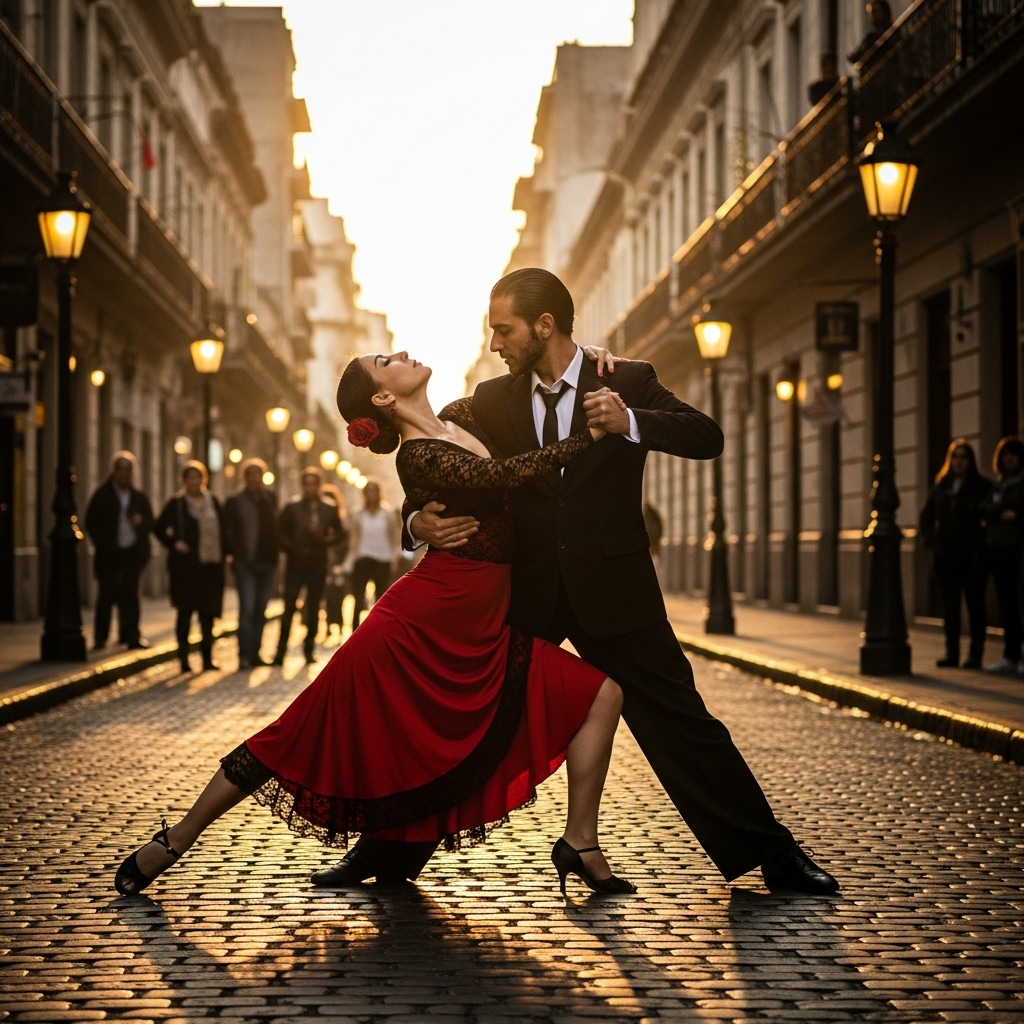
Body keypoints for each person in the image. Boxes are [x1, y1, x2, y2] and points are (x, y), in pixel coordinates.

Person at [338, 267, 839, 895]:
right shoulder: (488, 400)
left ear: (544, 326)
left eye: (504, 330)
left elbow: (705, 436)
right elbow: (428, 451)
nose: (496, 343)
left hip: (616, 590)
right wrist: (417, 521)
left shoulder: (626, 379)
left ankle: (774, 857)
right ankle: (387, 853)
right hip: (528, 594)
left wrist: (631, 420)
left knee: (683, 722)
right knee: (474, 726)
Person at [113, 350, 630, 899]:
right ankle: (177, 839)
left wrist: (584, 354)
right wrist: (591, 438)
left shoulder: (463, 415)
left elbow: (530, 383)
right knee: (298, 731)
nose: (403, 354)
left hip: (478, 627)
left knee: (603, 694)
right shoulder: (418, 455)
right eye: (387, 361)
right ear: (384, 397)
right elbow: (497, 475)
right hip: (413, 623)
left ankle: (580, 841)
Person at [919, 440, 990, 669]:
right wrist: (932, 540)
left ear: (970, 461)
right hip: (945, 555)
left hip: (972, 555)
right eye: (956, 457)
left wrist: (981, 543)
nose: (959, 461)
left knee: (975, 604)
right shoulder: (942, 486)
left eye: (964, 457)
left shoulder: (981, 487)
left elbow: (988, 517)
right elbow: (926, 516)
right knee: (950, 607)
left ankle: (975, 655)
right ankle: (952, 654)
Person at [153, 461, 225, 674]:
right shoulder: (176, 504)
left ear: (204, 479)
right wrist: (174, 543)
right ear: (184, 481)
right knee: (185, 614)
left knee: (208, 615)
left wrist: (227, 556)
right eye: (190, 478)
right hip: (185, 568)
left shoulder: (213, 502)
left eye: (198, 477)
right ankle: (183, 660)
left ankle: (207, 659)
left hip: (210, 567)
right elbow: (158, 528)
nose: (195, 481)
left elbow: (223, 531)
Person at [84, 451, 154, 651]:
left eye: (128, 470)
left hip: (132, 553)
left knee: (131, 596)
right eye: (120, 470)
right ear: (114, 471)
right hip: (109, 554)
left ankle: (131, 635)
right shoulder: (103, 494)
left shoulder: (138, 496)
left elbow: (150, 522)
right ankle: (100, 637)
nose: (124, 474)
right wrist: (103, 543)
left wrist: (140, 523)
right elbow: (91, 521)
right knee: (106, 595)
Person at [273, 467, 343, 665]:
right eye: (307, 483)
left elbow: (339, 533)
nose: (311, 487)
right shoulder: (292, 507)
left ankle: (309, 650)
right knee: (289, 606)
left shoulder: (329, 507)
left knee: (314, 607)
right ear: (302, 486)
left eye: (314, 483)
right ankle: (280, 652)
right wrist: (292, 547)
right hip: (296, 564)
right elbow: (280, 532)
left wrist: (325, 541)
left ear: (319, 485)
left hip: (317, 564)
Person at [223, 459, 279, 669]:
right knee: (247, 608)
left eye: (258, 474)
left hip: (267, 562)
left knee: (260, 610)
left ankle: (255, 653)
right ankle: (244, 655)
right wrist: (235, 556)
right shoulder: (235, 501)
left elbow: (276, 528)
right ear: (244, 477)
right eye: (250, 474)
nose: (255, 479)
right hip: (245, 563)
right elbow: (227, 531)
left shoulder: (270, 499)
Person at [980, 436, 1024, 675]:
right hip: (998, 548)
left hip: (1017, 548)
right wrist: (1001, 513)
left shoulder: (1020, 484)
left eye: (1013, 454)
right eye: (1005, 454)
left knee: (1019, 602)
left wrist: (1011, 515)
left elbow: (1016, 512)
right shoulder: (999, 485)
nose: (1009, 459)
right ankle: (1010, 654)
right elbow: (985, 508)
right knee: (1006, 603)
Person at [345, 477, 401, 631]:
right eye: (368, 491)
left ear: (379, 493)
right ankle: (354, 634)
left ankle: (378, 632)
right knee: (358, 599)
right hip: (362, 559)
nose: (371, 494)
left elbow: (395, 538)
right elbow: (353, 539)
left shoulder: (388, 514)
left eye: (374, 490)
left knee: (381, 601)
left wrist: (394, 557)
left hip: (383, 560)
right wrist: (349, 562)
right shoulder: (357, 514)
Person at [318, 482, 350, 642]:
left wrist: (342, 564)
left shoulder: (342, 522)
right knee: (325, 596)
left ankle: (339, 626)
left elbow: (345, 543)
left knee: (337, 596)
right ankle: (328, 627)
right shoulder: (318, 520)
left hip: (338, 565)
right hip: (322, 564)